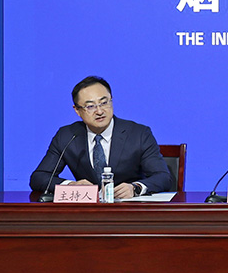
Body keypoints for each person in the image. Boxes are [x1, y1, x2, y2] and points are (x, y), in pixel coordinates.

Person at [30, 76, 174, 197]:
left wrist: (135, 188)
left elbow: (163, 177)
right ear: (77, 110)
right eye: (90, 106)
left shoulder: (139, 134)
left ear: (111, 100)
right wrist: (71, 185)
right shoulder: (67, 136)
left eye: (104, 103)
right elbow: (39, 178)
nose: (99, 111)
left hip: (128, 211)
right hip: (86, 214)